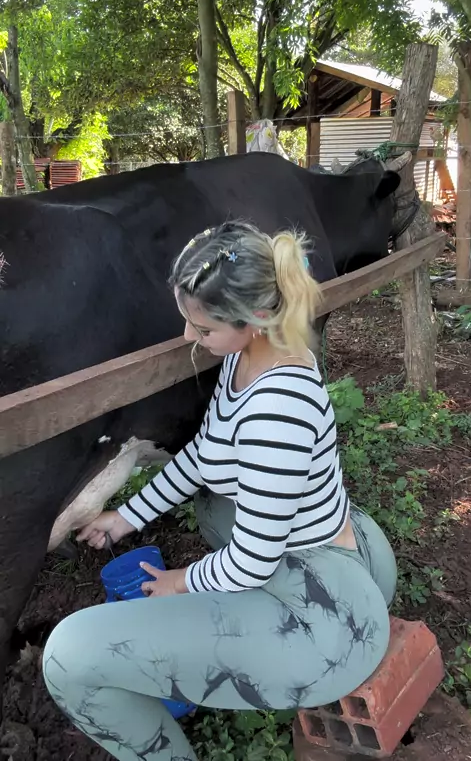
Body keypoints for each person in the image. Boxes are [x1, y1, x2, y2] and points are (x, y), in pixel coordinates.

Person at [43, 220, 397, 761]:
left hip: (326, 623)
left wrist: (179, 582)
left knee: (67, 658)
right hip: (321, 553)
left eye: (202, 328)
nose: (189, 337)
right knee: (213, 504)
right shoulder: (247, 356)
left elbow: (252, 562)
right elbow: (208, 453)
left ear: (253, 319)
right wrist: (128, 516)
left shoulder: (276, 409)